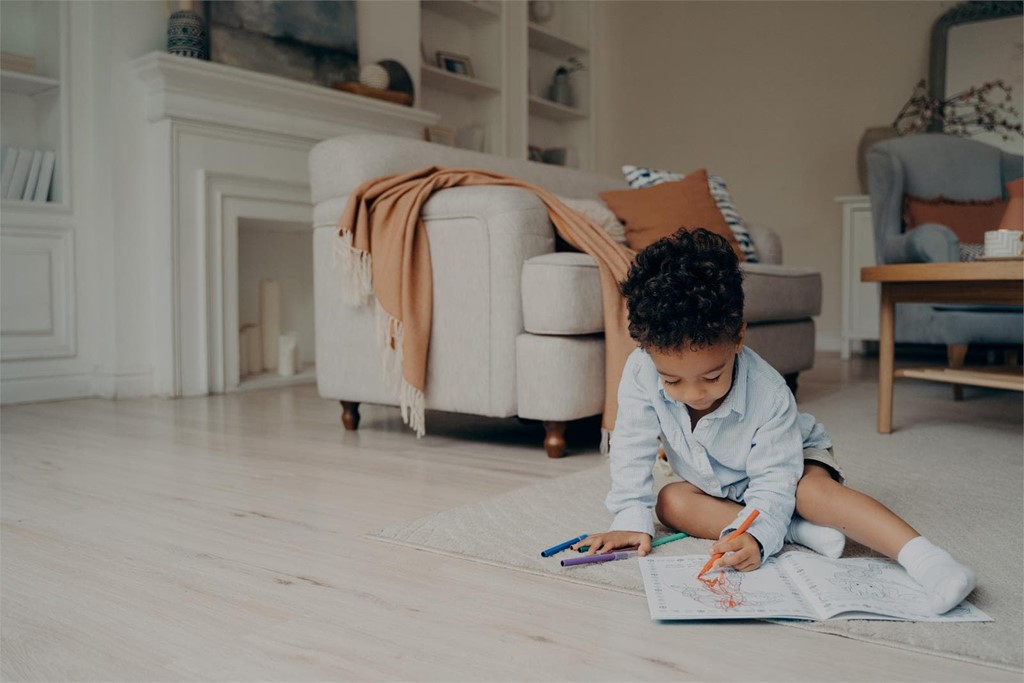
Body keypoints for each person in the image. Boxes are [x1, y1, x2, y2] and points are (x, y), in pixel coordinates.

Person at [572, 228, 975, 614]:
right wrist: (629, 518)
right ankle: (798, 531)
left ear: (739, 337)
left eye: (712, 376)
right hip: (726, 480)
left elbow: (776, 479)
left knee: (808, 496)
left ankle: (928, 559)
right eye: (672, 380)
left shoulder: (769, 393)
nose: (694, 394)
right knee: (670, 502)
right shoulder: (640, 369)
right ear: (647, 351)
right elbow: (631, 445)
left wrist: (758, 538)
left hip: (792, 462)